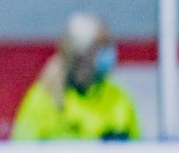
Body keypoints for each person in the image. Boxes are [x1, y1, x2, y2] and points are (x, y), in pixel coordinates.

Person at [11, 11, 141, 142]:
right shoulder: (44, 99)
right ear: (81, 53)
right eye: (101, 46)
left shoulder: (118, 97)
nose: (109, 52)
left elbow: (140, 149)